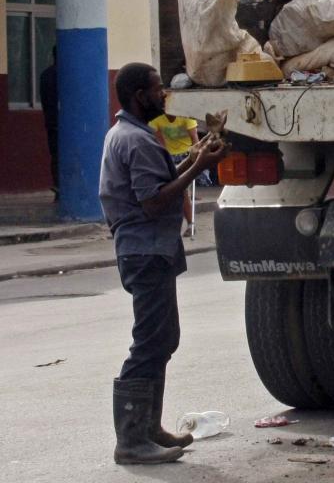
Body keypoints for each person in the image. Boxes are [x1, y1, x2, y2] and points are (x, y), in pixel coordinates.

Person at [99, 63, 226, 465]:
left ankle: (149, 429)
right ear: (140, 96)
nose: (163, 96)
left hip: (151, 248)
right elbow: (153, 200)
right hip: (144, 248)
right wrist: (200, 168)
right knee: (150, 341)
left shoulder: (132, 135)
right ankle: (132, 440)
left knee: (163, 337)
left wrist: (195, 157)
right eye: (158, 90)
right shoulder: (135, 141)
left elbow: (157, 181)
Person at [149, 113, 209, 237]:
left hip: (187, 153)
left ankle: (191, 224)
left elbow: (195, 139)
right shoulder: (157, 119)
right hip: (170, 156)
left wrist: (197, 156)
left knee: (182, 191)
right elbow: (160, 143)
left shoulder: (186, 117)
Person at [39, 47, 57, 197]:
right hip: (65, 124)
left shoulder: (45, 75)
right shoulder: (66, 75)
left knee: (55, 155)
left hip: (51, 121)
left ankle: (58, 186)